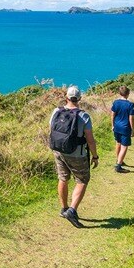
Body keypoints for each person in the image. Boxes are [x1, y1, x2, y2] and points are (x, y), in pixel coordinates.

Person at [49, 85, 99, 228]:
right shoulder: (84, 116)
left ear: (66, 97)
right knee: (82, 180)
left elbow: (51, 130)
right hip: (77, 153)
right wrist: (95, 156)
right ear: (80, 99)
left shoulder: (56, 112)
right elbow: (90, 139)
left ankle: (64, 208)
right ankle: (72, 210)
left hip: (58, 151)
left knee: (63, 177)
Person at [111, 85, 134, 173]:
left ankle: (118, 160)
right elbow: (131, 118)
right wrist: (132, 129)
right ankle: (118, 166)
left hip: (117, 126)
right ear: (128, 93)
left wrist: (112, 125)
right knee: (124, 146)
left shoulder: (115, 102)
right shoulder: (130, 105)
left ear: (120, 93)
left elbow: (113, 114)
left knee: (118, 143)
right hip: (125, 128)